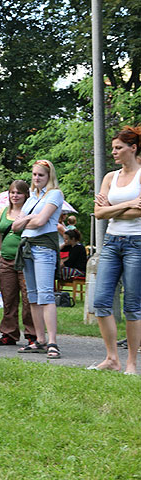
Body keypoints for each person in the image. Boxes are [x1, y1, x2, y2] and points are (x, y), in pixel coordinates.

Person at [90, 126, 141, 373]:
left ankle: (131, 362)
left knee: (132, 305)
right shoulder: (110, 177)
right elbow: (99, 213)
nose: (114, 152)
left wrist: (113, 207)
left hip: (137, 243)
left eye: (118, 148)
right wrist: (130, 203)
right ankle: (112, 359)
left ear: (133, 148)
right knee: (100, 301)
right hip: (111, 242)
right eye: (112, 148)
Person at [13, 159, 64, 360]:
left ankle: (53, 341)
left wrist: (25, 220)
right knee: (32, 296)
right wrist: (27, 221)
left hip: (44, 247)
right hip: (27, 247)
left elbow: (42, 221)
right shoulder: (31, 198)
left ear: (49, 176)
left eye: (41, 175)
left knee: (46, 294)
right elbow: (15, 227)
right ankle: (40, 339)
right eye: (34, 175)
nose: (36, 178)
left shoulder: (55, 194)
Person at [0, 180, 35, 346]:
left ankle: (32, 334)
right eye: (12, 192)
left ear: (25, 195)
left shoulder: (29, 211)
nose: (15, 196)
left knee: (28, 298)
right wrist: (1, 247)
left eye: (19, 193)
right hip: (6, 260)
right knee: (8, 297)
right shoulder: (3, 211)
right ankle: (9, 333)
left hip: (25, 261)